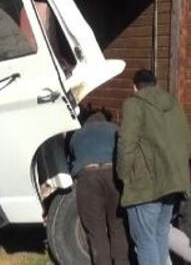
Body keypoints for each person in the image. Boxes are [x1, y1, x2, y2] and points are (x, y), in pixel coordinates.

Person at [117, 69, 191, 265]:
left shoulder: (134, 104)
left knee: (145, 241)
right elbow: (186, 140)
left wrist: (122, 175)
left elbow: (126, 143)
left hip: (146, 186)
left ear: (134, 86)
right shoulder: (174, 104)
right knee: (159, 236)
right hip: (173, 182)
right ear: (155, 84)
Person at [68, 110, 130, 265]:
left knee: (96, 231)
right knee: (118, 226)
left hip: (88, 177)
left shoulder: (77, 134)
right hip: (112, 175)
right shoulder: (114, 129)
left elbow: (70, 161)